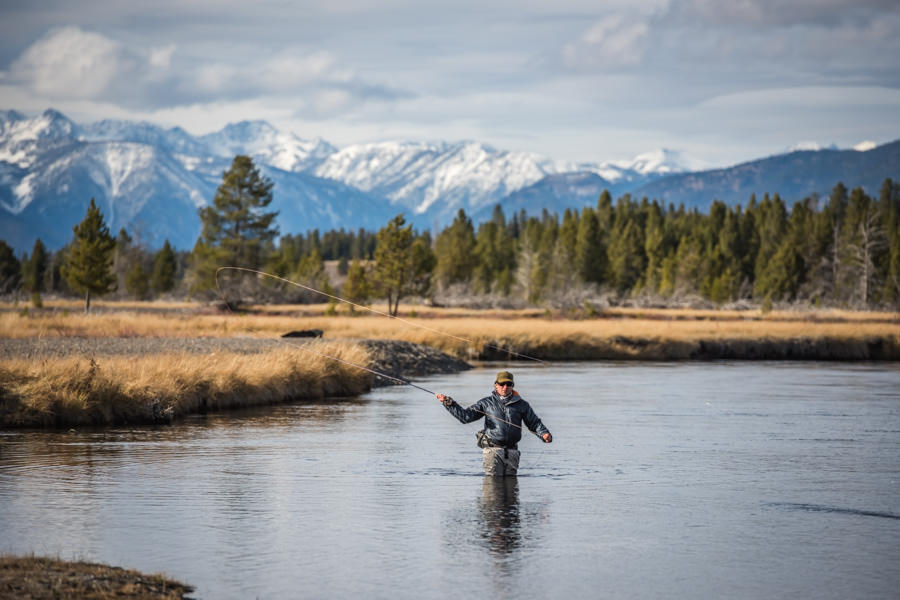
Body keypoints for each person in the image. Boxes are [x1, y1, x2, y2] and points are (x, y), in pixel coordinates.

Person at [436, 371, 552, 476]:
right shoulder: (486, 403)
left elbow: (534, 423)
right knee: (493, 491)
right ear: (496, 385)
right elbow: (466, 417)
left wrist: (544, 434)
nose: (505, 387)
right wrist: (449, 404)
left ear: (512, 386)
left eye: (508, 384)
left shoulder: (522, 405)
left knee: (512, 491)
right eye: (502, 384)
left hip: (512, 452)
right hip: (492, 451)